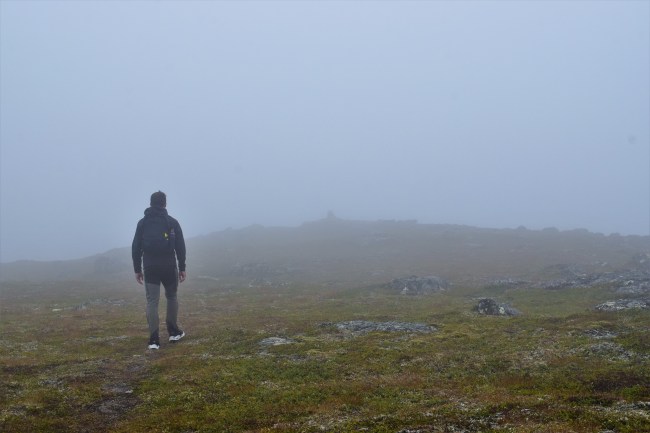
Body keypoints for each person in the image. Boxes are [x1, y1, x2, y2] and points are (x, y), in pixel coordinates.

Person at [132, 191, 187, 350]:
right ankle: (173, 332)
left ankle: (154, 340)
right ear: (165, 203)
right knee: (172, 297)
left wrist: (137, 269)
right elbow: (180, 246)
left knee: (152, 302)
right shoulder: (172, 222)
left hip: (150, 267)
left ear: (151, 203)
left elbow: (136, 248)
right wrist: (182, 267)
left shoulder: (142, 223)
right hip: (169, 266)